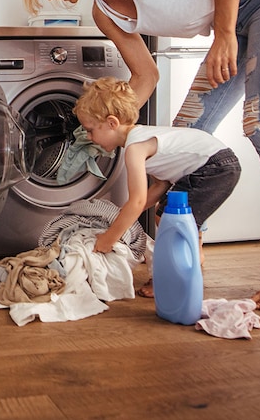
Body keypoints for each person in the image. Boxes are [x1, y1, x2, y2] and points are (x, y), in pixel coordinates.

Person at [20, 0, 260, 310]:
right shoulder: (104, 12)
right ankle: (187, 254)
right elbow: (146, 77)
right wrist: (104, 126)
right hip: (237, 22)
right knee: (181, 139)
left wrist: (225, 34)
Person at [73, 77, 241, 297]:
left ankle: (170, 278)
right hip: (215, 163)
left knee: (169, 219)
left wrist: (109, 238)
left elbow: (138, 201)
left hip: (213, 166)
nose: (88, 137)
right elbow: (160, 185)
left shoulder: (135, 148)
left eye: (90, 130)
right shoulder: (141, 137)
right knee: (170, 216)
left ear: (112, 123)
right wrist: (123, 214)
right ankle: (187, 262)